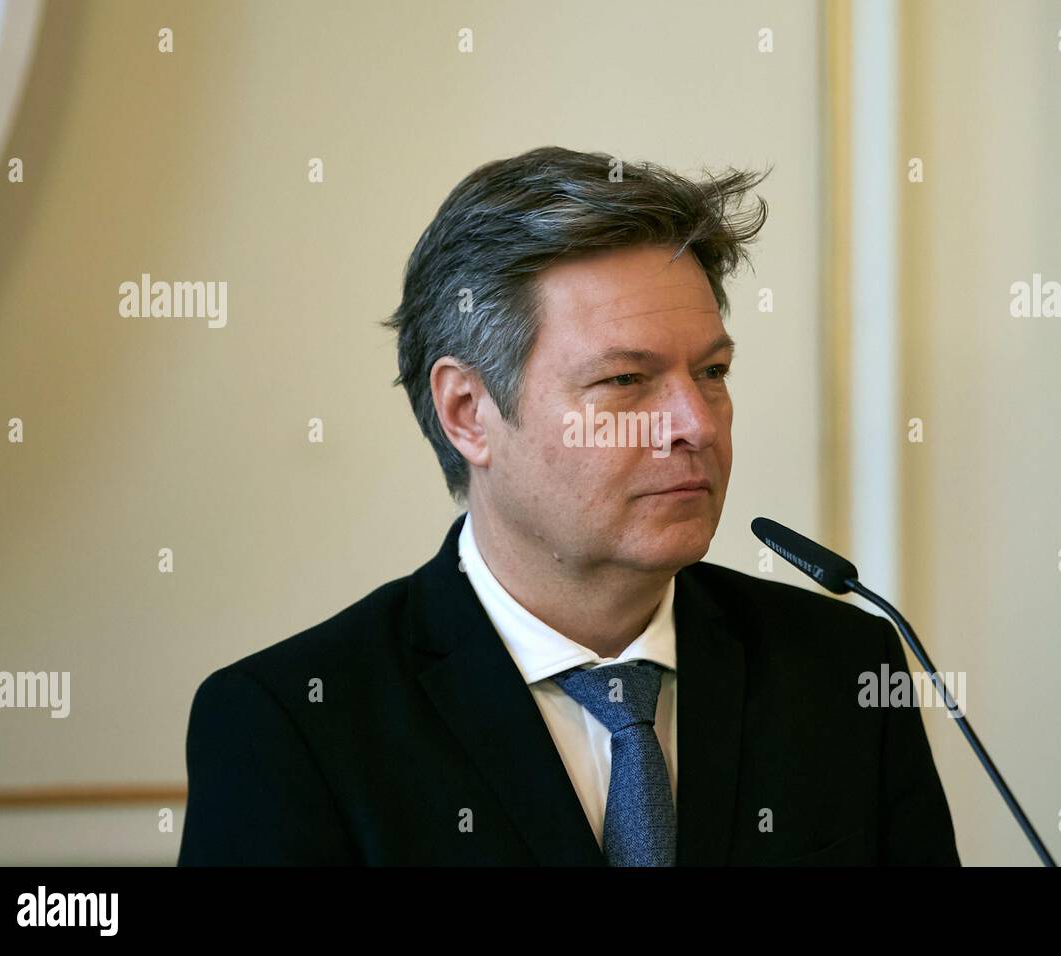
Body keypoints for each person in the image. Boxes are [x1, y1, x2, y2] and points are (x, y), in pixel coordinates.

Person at [178, 146, 960, 866]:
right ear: (468, 412)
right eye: (626, 382)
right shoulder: (292, 724)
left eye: (713, 373)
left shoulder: (842, 667)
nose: (694, 424)